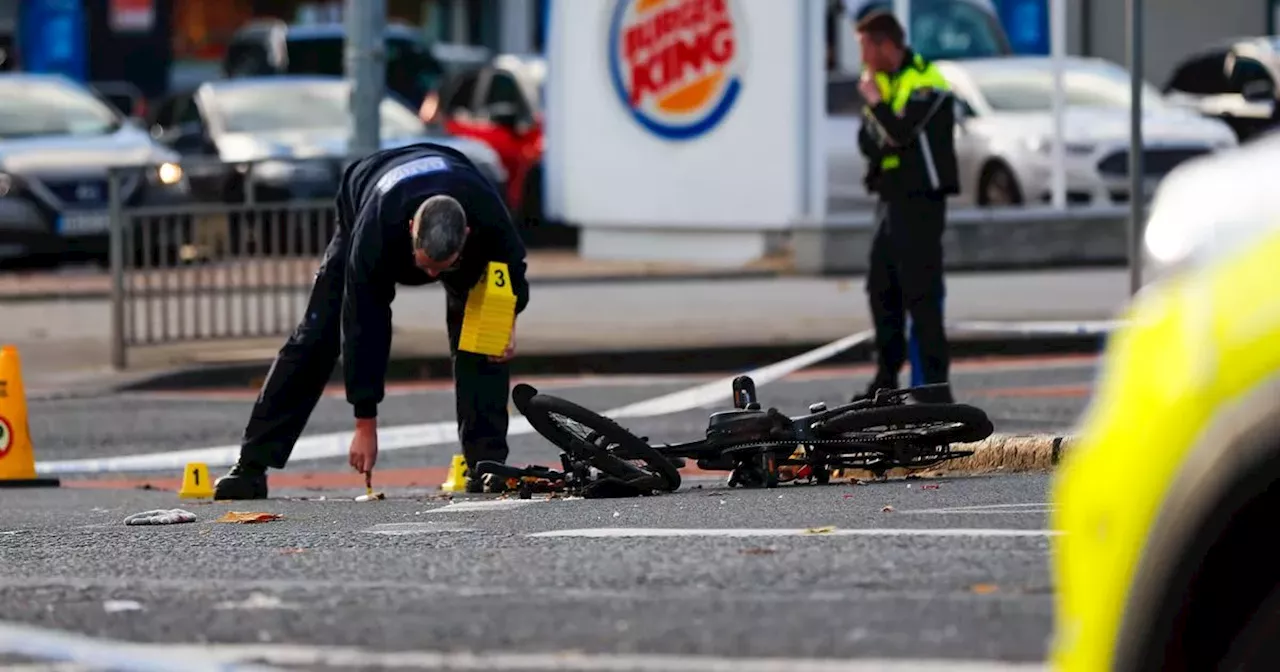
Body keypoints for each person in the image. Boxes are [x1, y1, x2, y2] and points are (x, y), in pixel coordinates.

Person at [212, 142, 530, 500]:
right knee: (318, 336)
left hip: (455, 182)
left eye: (440, 269)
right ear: (411, 228)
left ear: (468, 236)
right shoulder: (377, 229)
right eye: (424, 266)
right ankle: (251, 466)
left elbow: (514, 271)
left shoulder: (489, 217)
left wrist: (506, 323)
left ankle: (485, 464)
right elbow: (365, 323)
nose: (429, 275)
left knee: (484, 337)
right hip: (364, 195)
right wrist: (366, 422)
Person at [851, 10, 960, 404]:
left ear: (884, 45)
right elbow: (868, 141)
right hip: (890, 198)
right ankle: (886, 382)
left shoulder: (925, 80)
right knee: (881, 288)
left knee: (922, 293)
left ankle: (934, 388)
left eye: (864, 46)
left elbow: (899, 134)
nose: (860, 56)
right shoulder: (879, 83)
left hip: (921, 202)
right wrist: (882, 115)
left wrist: (880, 108)